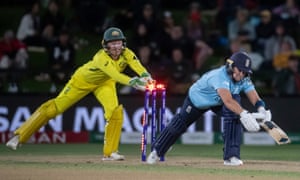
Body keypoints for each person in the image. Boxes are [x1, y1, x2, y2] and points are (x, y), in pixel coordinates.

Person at [6, 27, 153, 161]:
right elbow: (116, 75)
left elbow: (137, 65)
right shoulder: (100, 58)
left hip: (105, 83)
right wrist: (134, 82)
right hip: (81, 82)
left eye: (118, 43)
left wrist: (146, 76)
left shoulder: (126, 53)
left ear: (123, 43)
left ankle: (110, 152)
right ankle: (20, 135)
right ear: (105, 45)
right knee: (55, 108)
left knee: (115, 111)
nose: (116, 47)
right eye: (112, 43)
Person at [146, 51, 272, 166]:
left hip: (217, 102)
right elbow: (228, 101)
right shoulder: (219, 76)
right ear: (231, 66)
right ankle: (157, 151)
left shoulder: (243, 78)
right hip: (198, 100)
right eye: (241, 70)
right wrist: (244, 114)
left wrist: (262, 109)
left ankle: (231, 156)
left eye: (245, 72)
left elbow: (254, 97)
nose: (242, 74)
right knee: (179, 124)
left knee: (234, 114)